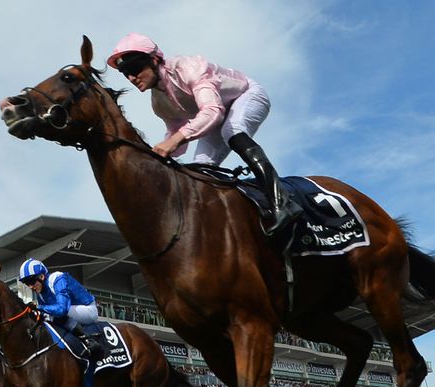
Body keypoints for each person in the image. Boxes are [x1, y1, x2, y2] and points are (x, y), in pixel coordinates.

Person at [107, 33, 301, 235]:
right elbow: (176, 137)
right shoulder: (158, 103)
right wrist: (157, 155)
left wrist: (173, 141)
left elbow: (212, 111)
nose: (131, 77)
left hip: (246, 96)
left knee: (231, 131)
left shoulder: (188, 68)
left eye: (135, 69)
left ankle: (282, 202)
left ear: (154, 60)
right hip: (216, 115)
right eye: (125, 73)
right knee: (201, 171)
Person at [18, 258, 102, 358]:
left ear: (41, 276)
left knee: (53, 315)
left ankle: (88, 339)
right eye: (27, 283)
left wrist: (37, 307)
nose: (30, 286)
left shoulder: (57, 279)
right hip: (72, 312)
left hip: (89, 310)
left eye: (31, 281)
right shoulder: (40, 292)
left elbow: (62, 309)